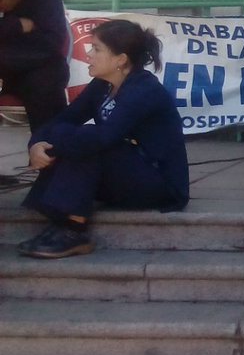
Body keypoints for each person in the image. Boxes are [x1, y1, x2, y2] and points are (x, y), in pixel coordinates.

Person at [17, 20, 188, 259]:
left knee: (90, 141)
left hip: (158, 183)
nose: (88, 55)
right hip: (125, 174)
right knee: (75, 135)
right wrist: (36, 145)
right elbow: (65, 118)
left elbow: (106, 136)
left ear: (121, 59)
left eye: (96, 49)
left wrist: (55, 145)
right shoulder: (102, 86)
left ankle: (74, 231)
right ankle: (60, 222)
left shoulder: (144, 90)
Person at [0, 0, 69, 132]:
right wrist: (14, 25)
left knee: (44, 85)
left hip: (35, 63)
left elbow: (51, 43)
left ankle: (47, 145)